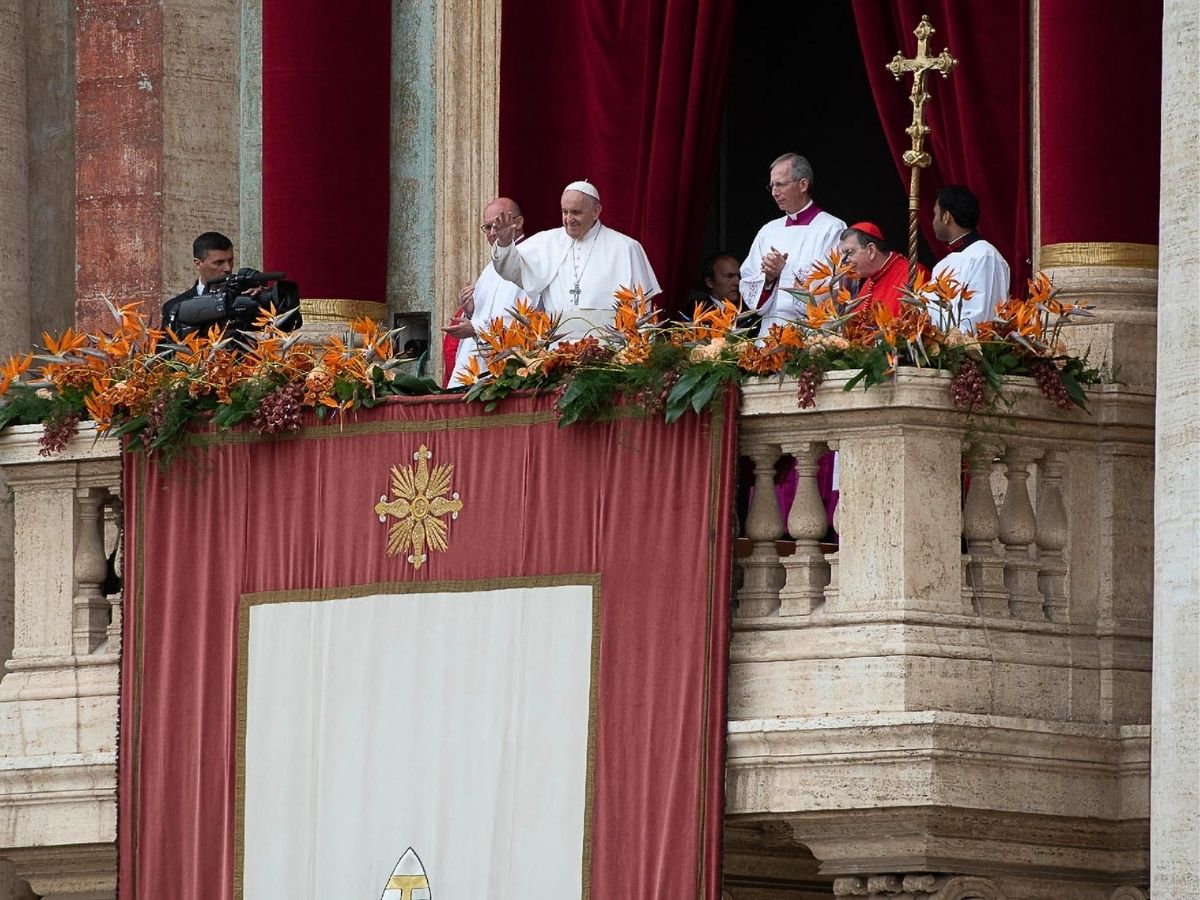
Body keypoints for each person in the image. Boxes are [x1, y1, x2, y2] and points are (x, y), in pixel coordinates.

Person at [490, 180, 660, 341]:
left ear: (596, 211)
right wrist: (504, 244)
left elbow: (642, 310)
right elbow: (511, 270)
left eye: (576, 212)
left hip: (609, 351)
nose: (569, 219)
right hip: (556, 351)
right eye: (565, 212)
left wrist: (639, 355)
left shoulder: (626, 247)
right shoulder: (546, 242)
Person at [739, 153, 846, 335]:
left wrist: (784, 272)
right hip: (771, 332)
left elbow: (837, 286)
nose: (774, 192)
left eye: (780, 184)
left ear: (803, 184)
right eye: (772, 186)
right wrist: (769, 279)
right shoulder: (768, 231)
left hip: (813, 334)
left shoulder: (832, 228)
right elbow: (748, 281)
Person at [442, 197, 537, 386]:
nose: (493, 233)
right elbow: (486, 315)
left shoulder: (531, 259)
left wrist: (476, 327)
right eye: (488, 227)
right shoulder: (490, 268)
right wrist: (471, 311)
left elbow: (529, 318)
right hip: (478, 369)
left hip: (511, 369)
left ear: (518, 222)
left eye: (498, 225)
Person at [162, 232, 297, 339]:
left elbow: (288, 328)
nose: (227, 268)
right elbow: (165, 356)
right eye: (219, 262)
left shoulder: (247, 297)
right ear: (198, 264)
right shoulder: (175, 307)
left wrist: (265, 304)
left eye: (230, 260)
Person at [929, 185, 1011, 330]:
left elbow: (983, 317)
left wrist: (954, 341)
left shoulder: (985, 256)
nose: (933, 221)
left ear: (946, 217)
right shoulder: (941, 266)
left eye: (935, 214)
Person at [838, 222, 925, 317]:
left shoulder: (912, 273)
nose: (845, 260)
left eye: (850, 253)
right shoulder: (869, 281)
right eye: (843, 253)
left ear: (871, 250)